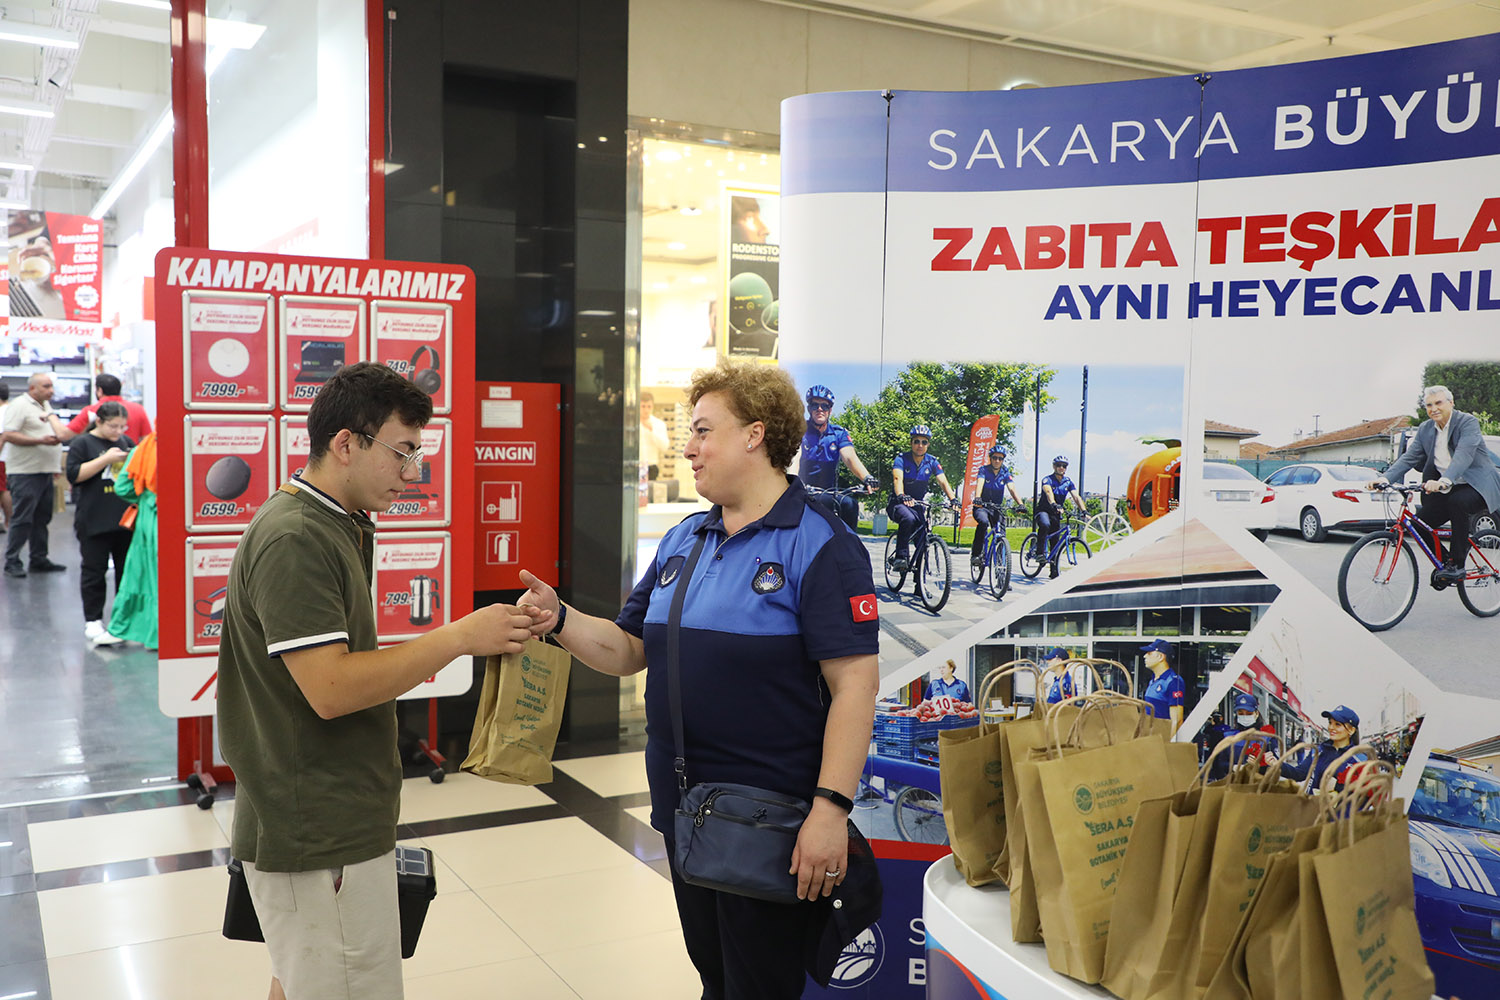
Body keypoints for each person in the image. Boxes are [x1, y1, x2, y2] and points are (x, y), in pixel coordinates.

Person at [517, 360, 880, 999]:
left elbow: (856, 686)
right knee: (716, 978)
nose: (687, 447)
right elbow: (630, 649)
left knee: (757, 987)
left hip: (771, 824)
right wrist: (560, 619)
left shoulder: (821, 544)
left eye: (704, 431)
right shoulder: (687, 537)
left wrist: (830, 811)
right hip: (686, 817)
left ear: (755, 436)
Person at [216, 362, 543, 1000]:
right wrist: (457, 638)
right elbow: (331, 689)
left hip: (331, 813)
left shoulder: (337, 523)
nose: (412, 472)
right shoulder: (297, 537)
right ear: (345, 443)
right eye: (402, 452)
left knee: (303, 978)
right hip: (316, 828)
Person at [1370, 385, 1500, 587]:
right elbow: (1410, 458)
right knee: (1416, 524)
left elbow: (1463, 455)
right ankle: (1447, 564)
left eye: (1438, 403)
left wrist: (1444, 480)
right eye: (1429, 405)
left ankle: (1457, 565)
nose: (1434, 409)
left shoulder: (1467, 422)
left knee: (1458, 502)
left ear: (1451, 402)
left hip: (1477, 484)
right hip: (1445, 487)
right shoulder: (1425, 429)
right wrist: (1385, 479)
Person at [64, 402, 134, 645]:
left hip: (124, 520)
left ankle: (123, 620)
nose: (118, 431)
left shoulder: (126, 442)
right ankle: (93, 620)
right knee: (94, 570)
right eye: (113, 426)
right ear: (100, 422)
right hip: (93, 519)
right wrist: (105, 460)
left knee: (126, 572)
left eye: (123, 427)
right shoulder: (82, 443)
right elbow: (74, 475)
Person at [2, 372, 68, 578]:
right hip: (25, 472)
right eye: (46, 386)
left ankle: (39, 558)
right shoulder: (19, 406)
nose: (51, 390)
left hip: (44, 471)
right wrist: (41, 441)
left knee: (42, 517)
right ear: (33, 388)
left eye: (51, 386)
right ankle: (12, 560)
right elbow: (9, 434)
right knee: (22, 518)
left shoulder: (44, 406)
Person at [797, 385, 877, 531]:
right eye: (815, 405)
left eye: (824, 406)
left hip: (827, 493)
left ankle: (850, 549)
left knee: (849, 504)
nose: (819, 409)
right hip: (802, 492)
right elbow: (794, 458)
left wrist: (867, 477)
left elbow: (850, 457)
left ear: (830, 410)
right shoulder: (799, 431)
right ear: (809, 409)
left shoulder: (838, 434)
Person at [106, 432, 158, 649]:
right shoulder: (185, 446)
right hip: (177, 518)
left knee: (140, 575)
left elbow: (122, 487)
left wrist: (144, 497)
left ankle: (131, 628)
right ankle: (160, 635)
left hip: (148, 519)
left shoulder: (143, 447)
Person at [888, 424, 956, 573]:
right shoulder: (901, 459)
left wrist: (953, 499)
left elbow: (943, 481)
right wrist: (901, 495)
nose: (920, 445)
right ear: (911, 443)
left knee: (922, 539)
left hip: (917, 505)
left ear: (928, 444)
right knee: (908, 519)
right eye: (916, 441)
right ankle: (901, 556)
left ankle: (919, 583)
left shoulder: (932, 461)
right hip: (898, 503)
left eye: (924, 442)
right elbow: (897, 478)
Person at [1280, 706, 1370, 792]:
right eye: (1330, 723)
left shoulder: (1360, 759)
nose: (1331, 727)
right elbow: (1298, 774)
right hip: (1313, 805)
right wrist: (1274, 765)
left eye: (1337, 724)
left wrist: (1338, 786)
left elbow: (1367, 791)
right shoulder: (1317, 752)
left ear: (1351, 730)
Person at [970, 444, 1024, 570]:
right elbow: (980, 483)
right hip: (982, 506)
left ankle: (1001, 575)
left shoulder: (1005, 472)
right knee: (983, 523)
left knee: (1001, 535)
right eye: (995, 458)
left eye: (1000, 458)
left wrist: (1020, 503)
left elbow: (1011, 488)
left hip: (996, 508)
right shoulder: (983, 470)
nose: (997, 461)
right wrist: (978, 497)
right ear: (990, 458)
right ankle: (976, 554)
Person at [1207, 692, 1282, 780]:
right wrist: (1233, 767)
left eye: (1249, 713)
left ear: (1256, 713)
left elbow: (1276, 768)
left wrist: (1259, 766)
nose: (1245, 716)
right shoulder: (1227, 737)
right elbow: (1218, 765)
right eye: (1241, 713)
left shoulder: (1268, 738)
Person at [60, 373, 153, 443]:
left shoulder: (92, 411)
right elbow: (148, 440)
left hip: (98, 461)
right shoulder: (138, 409)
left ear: (99, 390)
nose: (119, 431)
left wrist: (50, 414)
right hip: (131, 463)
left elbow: (64, 434)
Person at [1034, 454, 1085, 579]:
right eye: (1058, 465)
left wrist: (1084, 510)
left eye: (1064, 466)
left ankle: (1054, 571)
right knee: (1045, 524)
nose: (1061, 468)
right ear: (1054, 466)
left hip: (1056, 513)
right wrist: (1054, 504)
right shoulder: (1047, 479)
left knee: (1055, 542)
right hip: (1044, 511)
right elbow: (1048, 492)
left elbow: (1076, 497)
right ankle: (1039, 552)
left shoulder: (1068, 482)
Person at [1140, 638, 1184, 733]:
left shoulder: (1173, 682)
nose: (1144, 656)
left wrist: (1167, 744)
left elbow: (1177, 720)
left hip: (1160, 740)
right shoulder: (1153, 681)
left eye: (1149, 653)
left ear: (1160, 657)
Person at [639, 390, 671, 481]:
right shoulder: (631, 424)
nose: (646, 410)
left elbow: (664, 447)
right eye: (643, 406)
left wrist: (652, 430)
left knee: (649, 494)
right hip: (634, 466)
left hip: (651, 466)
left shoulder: (659, 424)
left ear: (652, 406)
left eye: (649, 406)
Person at [0, 382, 12, 534]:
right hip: (12, 457)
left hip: (2, 457)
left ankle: (9, 521)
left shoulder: (2, 412)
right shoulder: (12, 409)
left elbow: (2, 437)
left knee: (3, 489)